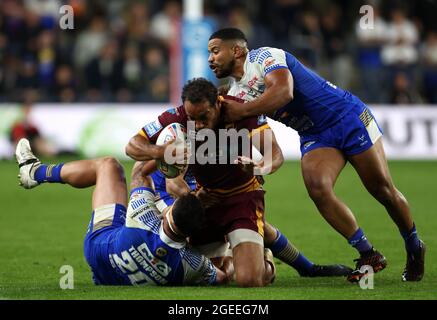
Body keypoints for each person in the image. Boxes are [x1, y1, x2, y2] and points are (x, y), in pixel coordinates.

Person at [207, 28, 425, 282]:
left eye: (214, 51)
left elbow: (283, 92)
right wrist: (255, 165)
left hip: (347, 117)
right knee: (318, 187)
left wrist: (240, 111)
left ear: (236, 50)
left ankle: (414, 244)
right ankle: (368, 254)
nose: (210, 58)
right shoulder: (237, 94)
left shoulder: (265, 56)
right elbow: (259, 135)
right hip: (315, 134)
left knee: (382, 190)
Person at [126, 78, 351, 286]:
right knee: (216, 274)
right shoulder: (178, 119)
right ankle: (248, 249)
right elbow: (133, 147)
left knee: (249, 279)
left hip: (241, 199)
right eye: (192, 118)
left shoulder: (242, 111)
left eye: (204, 117)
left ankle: (268, 258)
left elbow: (275, 154)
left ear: (218, 105)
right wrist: (161, 151)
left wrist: (257, 166)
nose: (198, 124)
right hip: (206, 200)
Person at [15, 138, 237, 286]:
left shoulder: (144, 218)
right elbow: (221, 277)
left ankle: (35, 171)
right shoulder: (193, 264)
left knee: (108, 166)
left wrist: (165, 153)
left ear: (170, 211)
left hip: (99, 249)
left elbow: (139, 172)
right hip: (113, 277)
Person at [142, 159, 352, 278]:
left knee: (257, 225)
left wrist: (252, 174)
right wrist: (195, 198)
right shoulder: (178, 138)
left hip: (204, 202)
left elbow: (253, 166)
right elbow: (172, 185)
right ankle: (256, 257)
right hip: (175, 206)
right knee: (223, 272)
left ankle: (308, 268)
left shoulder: (218, 138)